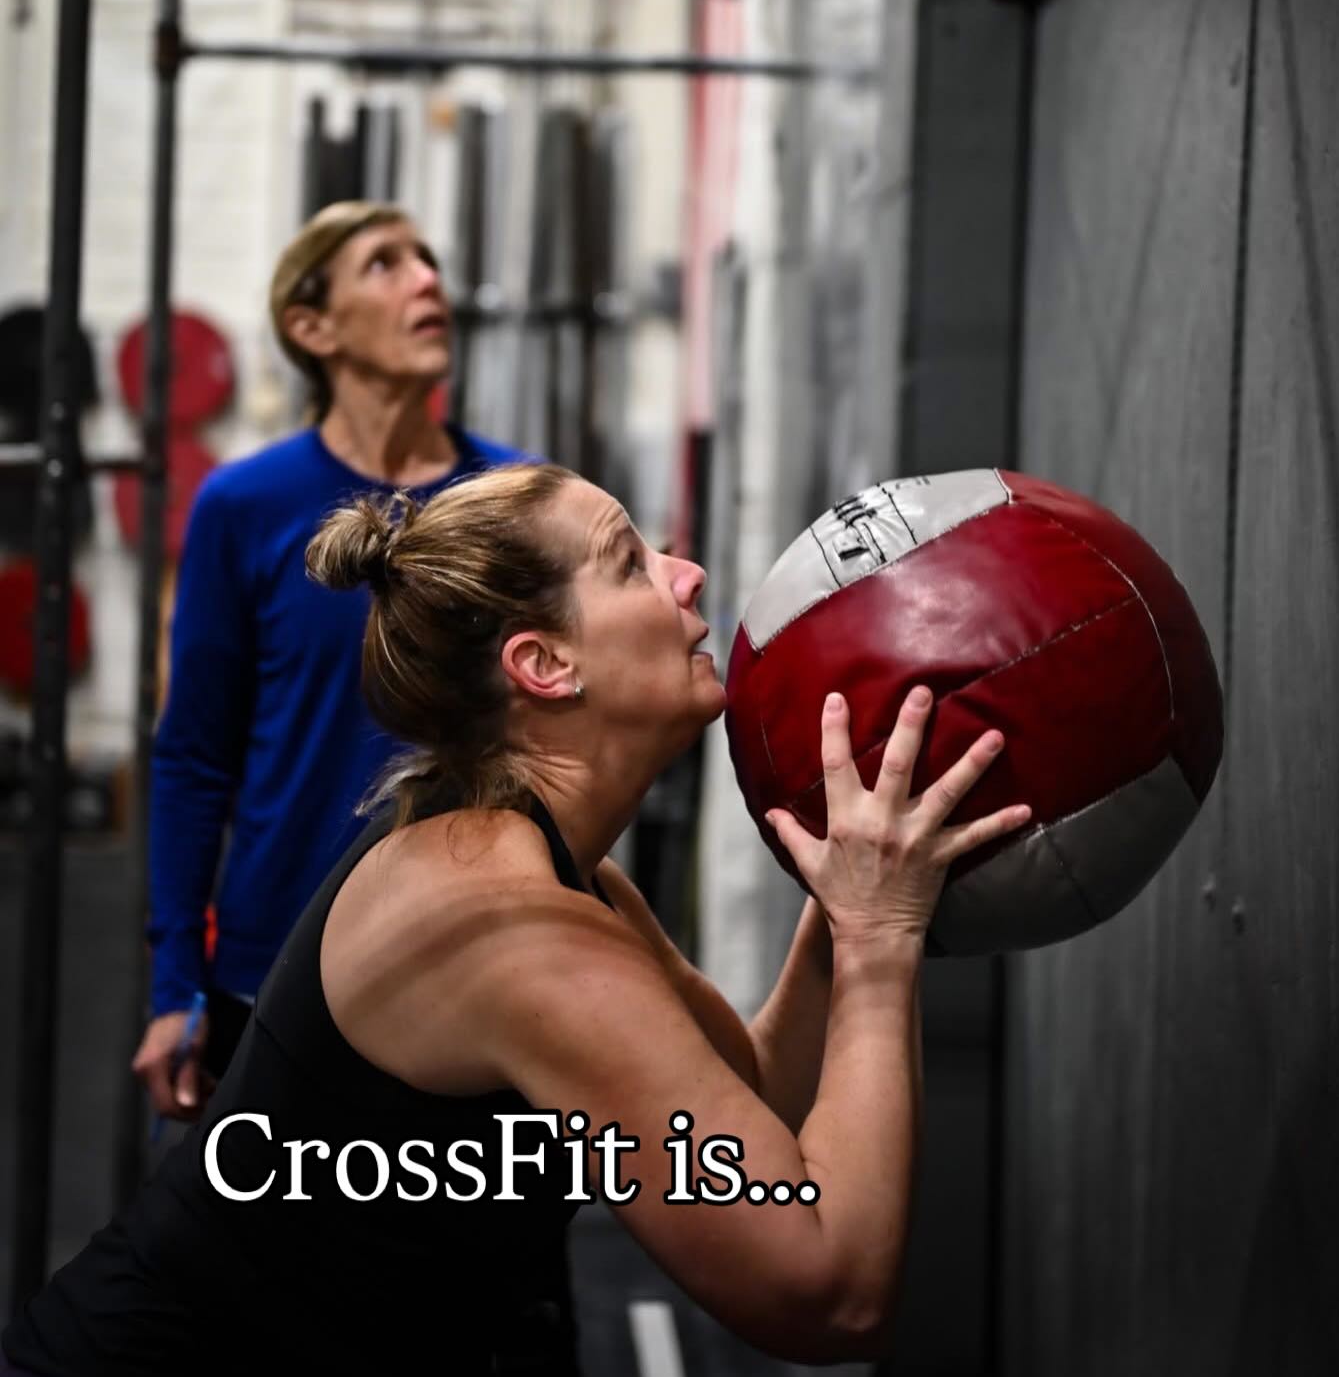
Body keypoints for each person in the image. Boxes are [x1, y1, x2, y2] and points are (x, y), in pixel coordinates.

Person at [4, 462, 1032, 1374]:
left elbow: (747, 1092)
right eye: (630, 562)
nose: (688, 575)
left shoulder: (553, 870)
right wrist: (878, 941)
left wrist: (847, 879)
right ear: (545, 665)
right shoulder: (512, 928)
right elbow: (828, 1290)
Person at [133, 200, 528, 1118]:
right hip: (276, 962)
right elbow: (193, 757)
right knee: (263, 1252)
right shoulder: (245, 505)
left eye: (428, 260)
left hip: (473, 952)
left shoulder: (513, 501)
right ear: (312, 327)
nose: (428, 279)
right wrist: (171, 985)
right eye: (385, 265)